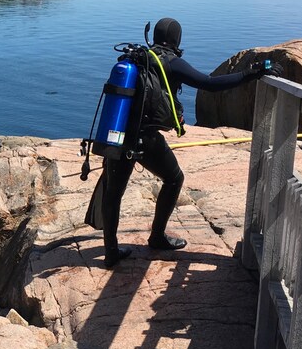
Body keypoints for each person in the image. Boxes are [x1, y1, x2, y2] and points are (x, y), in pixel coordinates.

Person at [99, 17, 282, 267]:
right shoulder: (171, 62)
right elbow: (209, 84)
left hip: (118, 132)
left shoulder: (139, 57)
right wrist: (251, 73)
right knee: (174, 179)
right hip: (145, 138)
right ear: (176, 39)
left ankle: (111, 251)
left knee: (113, 192)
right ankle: (157, 237)